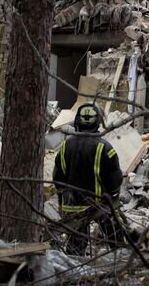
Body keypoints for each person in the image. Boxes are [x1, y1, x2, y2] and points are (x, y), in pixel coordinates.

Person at [52, 103, 125, 255]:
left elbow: (57, 177)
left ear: (77, 121)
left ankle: (72, 264)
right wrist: (112, 196)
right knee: (116, 234)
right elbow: (115, 180)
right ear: (98, 121)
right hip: (98, 205)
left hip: (71, 206)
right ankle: (121, 259)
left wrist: (64, 198)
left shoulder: (65, 146)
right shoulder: (105, 148)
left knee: (75, 244)